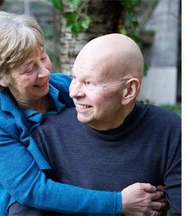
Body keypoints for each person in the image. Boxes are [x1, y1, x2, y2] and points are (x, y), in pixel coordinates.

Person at [0, 12, 166, 216]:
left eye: (43, 56)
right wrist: (118, 203)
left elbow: (107, 139)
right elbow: (33, 190)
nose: (45, 72)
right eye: (29, 69)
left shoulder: (67, 88)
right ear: (0, 77)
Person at [9, 33, 181, 215]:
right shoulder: (48, 135)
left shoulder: (169, 131)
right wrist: (118, 204)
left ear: (128, 91)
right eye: (74, 78)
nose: (73, 92)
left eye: (88, 83)